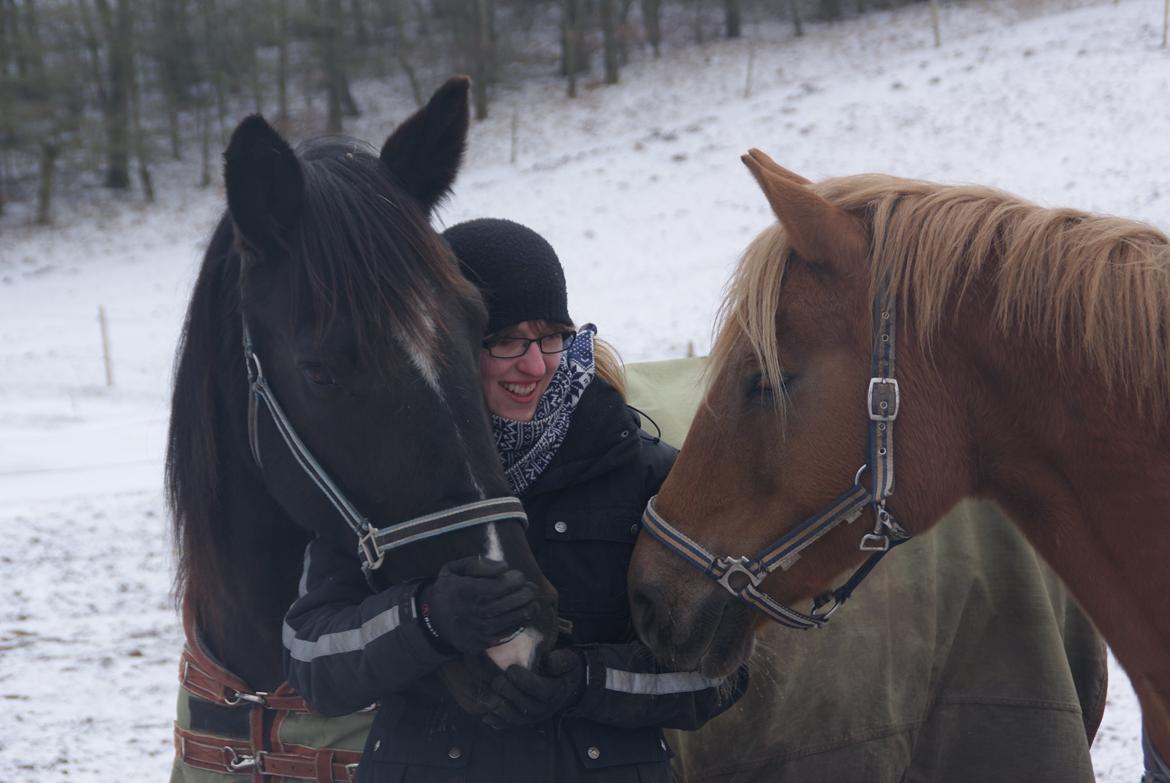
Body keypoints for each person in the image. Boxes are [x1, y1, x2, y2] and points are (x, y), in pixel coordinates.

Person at [283, 217, 749, 782]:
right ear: (449, 345)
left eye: (551, 335)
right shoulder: (377, 477)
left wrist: (583, 682)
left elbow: (718, 671)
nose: (535, 365)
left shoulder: (645, 475)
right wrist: (427, 618)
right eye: (506, 340)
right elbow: (310, 659)